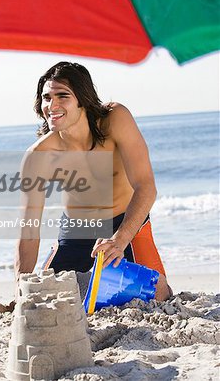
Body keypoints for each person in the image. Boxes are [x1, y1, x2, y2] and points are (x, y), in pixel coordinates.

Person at [15, 61, 172, 301]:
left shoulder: (115, 119)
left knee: (159, 293)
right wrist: (20, 287)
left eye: (62, 96)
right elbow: (29, 229)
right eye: (46, 98)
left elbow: (146, 186)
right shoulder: (39, 155)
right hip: (76, 231)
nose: (51, 105)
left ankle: (106, 282)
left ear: (83, 99)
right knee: (46, 297)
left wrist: (119, 240)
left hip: (125, 223)